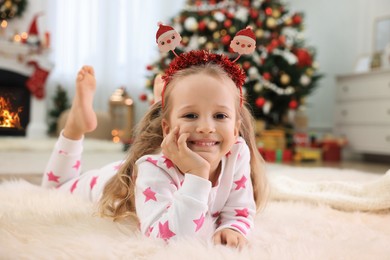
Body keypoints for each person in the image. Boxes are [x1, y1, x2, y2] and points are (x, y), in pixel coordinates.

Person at [42, 27, 268, 249]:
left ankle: (166, 104)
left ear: (236, 128)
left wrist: (232, 228)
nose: (206, 127)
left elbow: (239, 210)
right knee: (53, 188)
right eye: (191, 115)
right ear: (166, 127)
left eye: (220, 115)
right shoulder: (153, 169)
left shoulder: (237, 153)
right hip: (111, 180)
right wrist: (197, 174)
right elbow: (169, 239)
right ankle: (74, 129)